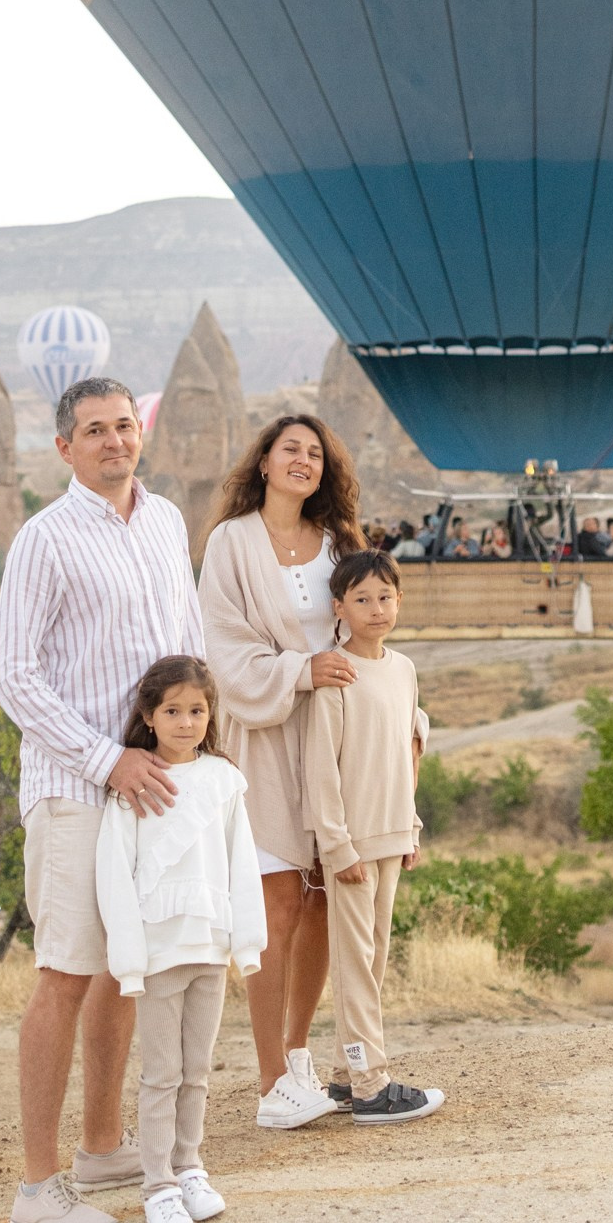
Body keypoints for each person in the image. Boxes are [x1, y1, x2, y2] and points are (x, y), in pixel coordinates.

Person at [0, 375, 204, 1223]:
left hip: (151, 786)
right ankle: (37, 1189)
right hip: (77, 787)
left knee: (125, 968)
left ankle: (104, 1147)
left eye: (124, 426)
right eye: (94, 431)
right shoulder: (43, 540)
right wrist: (105, 759)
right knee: (67, 973)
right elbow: (12, 675)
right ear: (63, 448)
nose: (114, 441)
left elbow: (184, 648)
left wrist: (194, 757)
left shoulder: (164, 521)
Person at [197, 411, 367, 1129]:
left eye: (315, 454)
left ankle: (298, 1057)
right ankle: (269, 1084)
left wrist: (402, 716)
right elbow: (224, 650)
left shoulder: (339, 545)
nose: (303, 461)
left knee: (327, 897)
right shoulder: (229, 544)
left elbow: (372, 624)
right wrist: (301, 670)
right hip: (263, 739)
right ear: (262, 462)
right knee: (275, 906)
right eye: (289, 450)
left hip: (332, 736)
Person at [96, 656, 266, 1223]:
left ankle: (191, 1167)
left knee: (198, 1072)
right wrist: (130, 958)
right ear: (149, 716)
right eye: (173, 711)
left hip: (210, 945)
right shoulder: (132, 787)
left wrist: (245, 943)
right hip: (159, 950)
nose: (187, 722)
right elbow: (116, 873)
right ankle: (158, 1187)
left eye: (197, 710)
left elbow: (240, 860)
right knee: (161, 1074)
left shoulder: (223, 779)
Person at [303, 551, 445, 1124]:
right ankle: (370, 1083)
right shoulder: (336, 671)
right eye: (361, 599)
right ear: (340, 607)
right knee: (356, 961)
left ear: (399, 600)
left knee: (376, 955)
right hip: (353, 846)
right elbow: (322, 767)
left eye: (385, 597)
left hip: (391, 836)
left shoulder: (404, 668)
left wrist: (410, 828)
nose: (376, 609)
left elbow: (405, 752)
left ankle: (344, 1072)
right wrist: (338, 848)